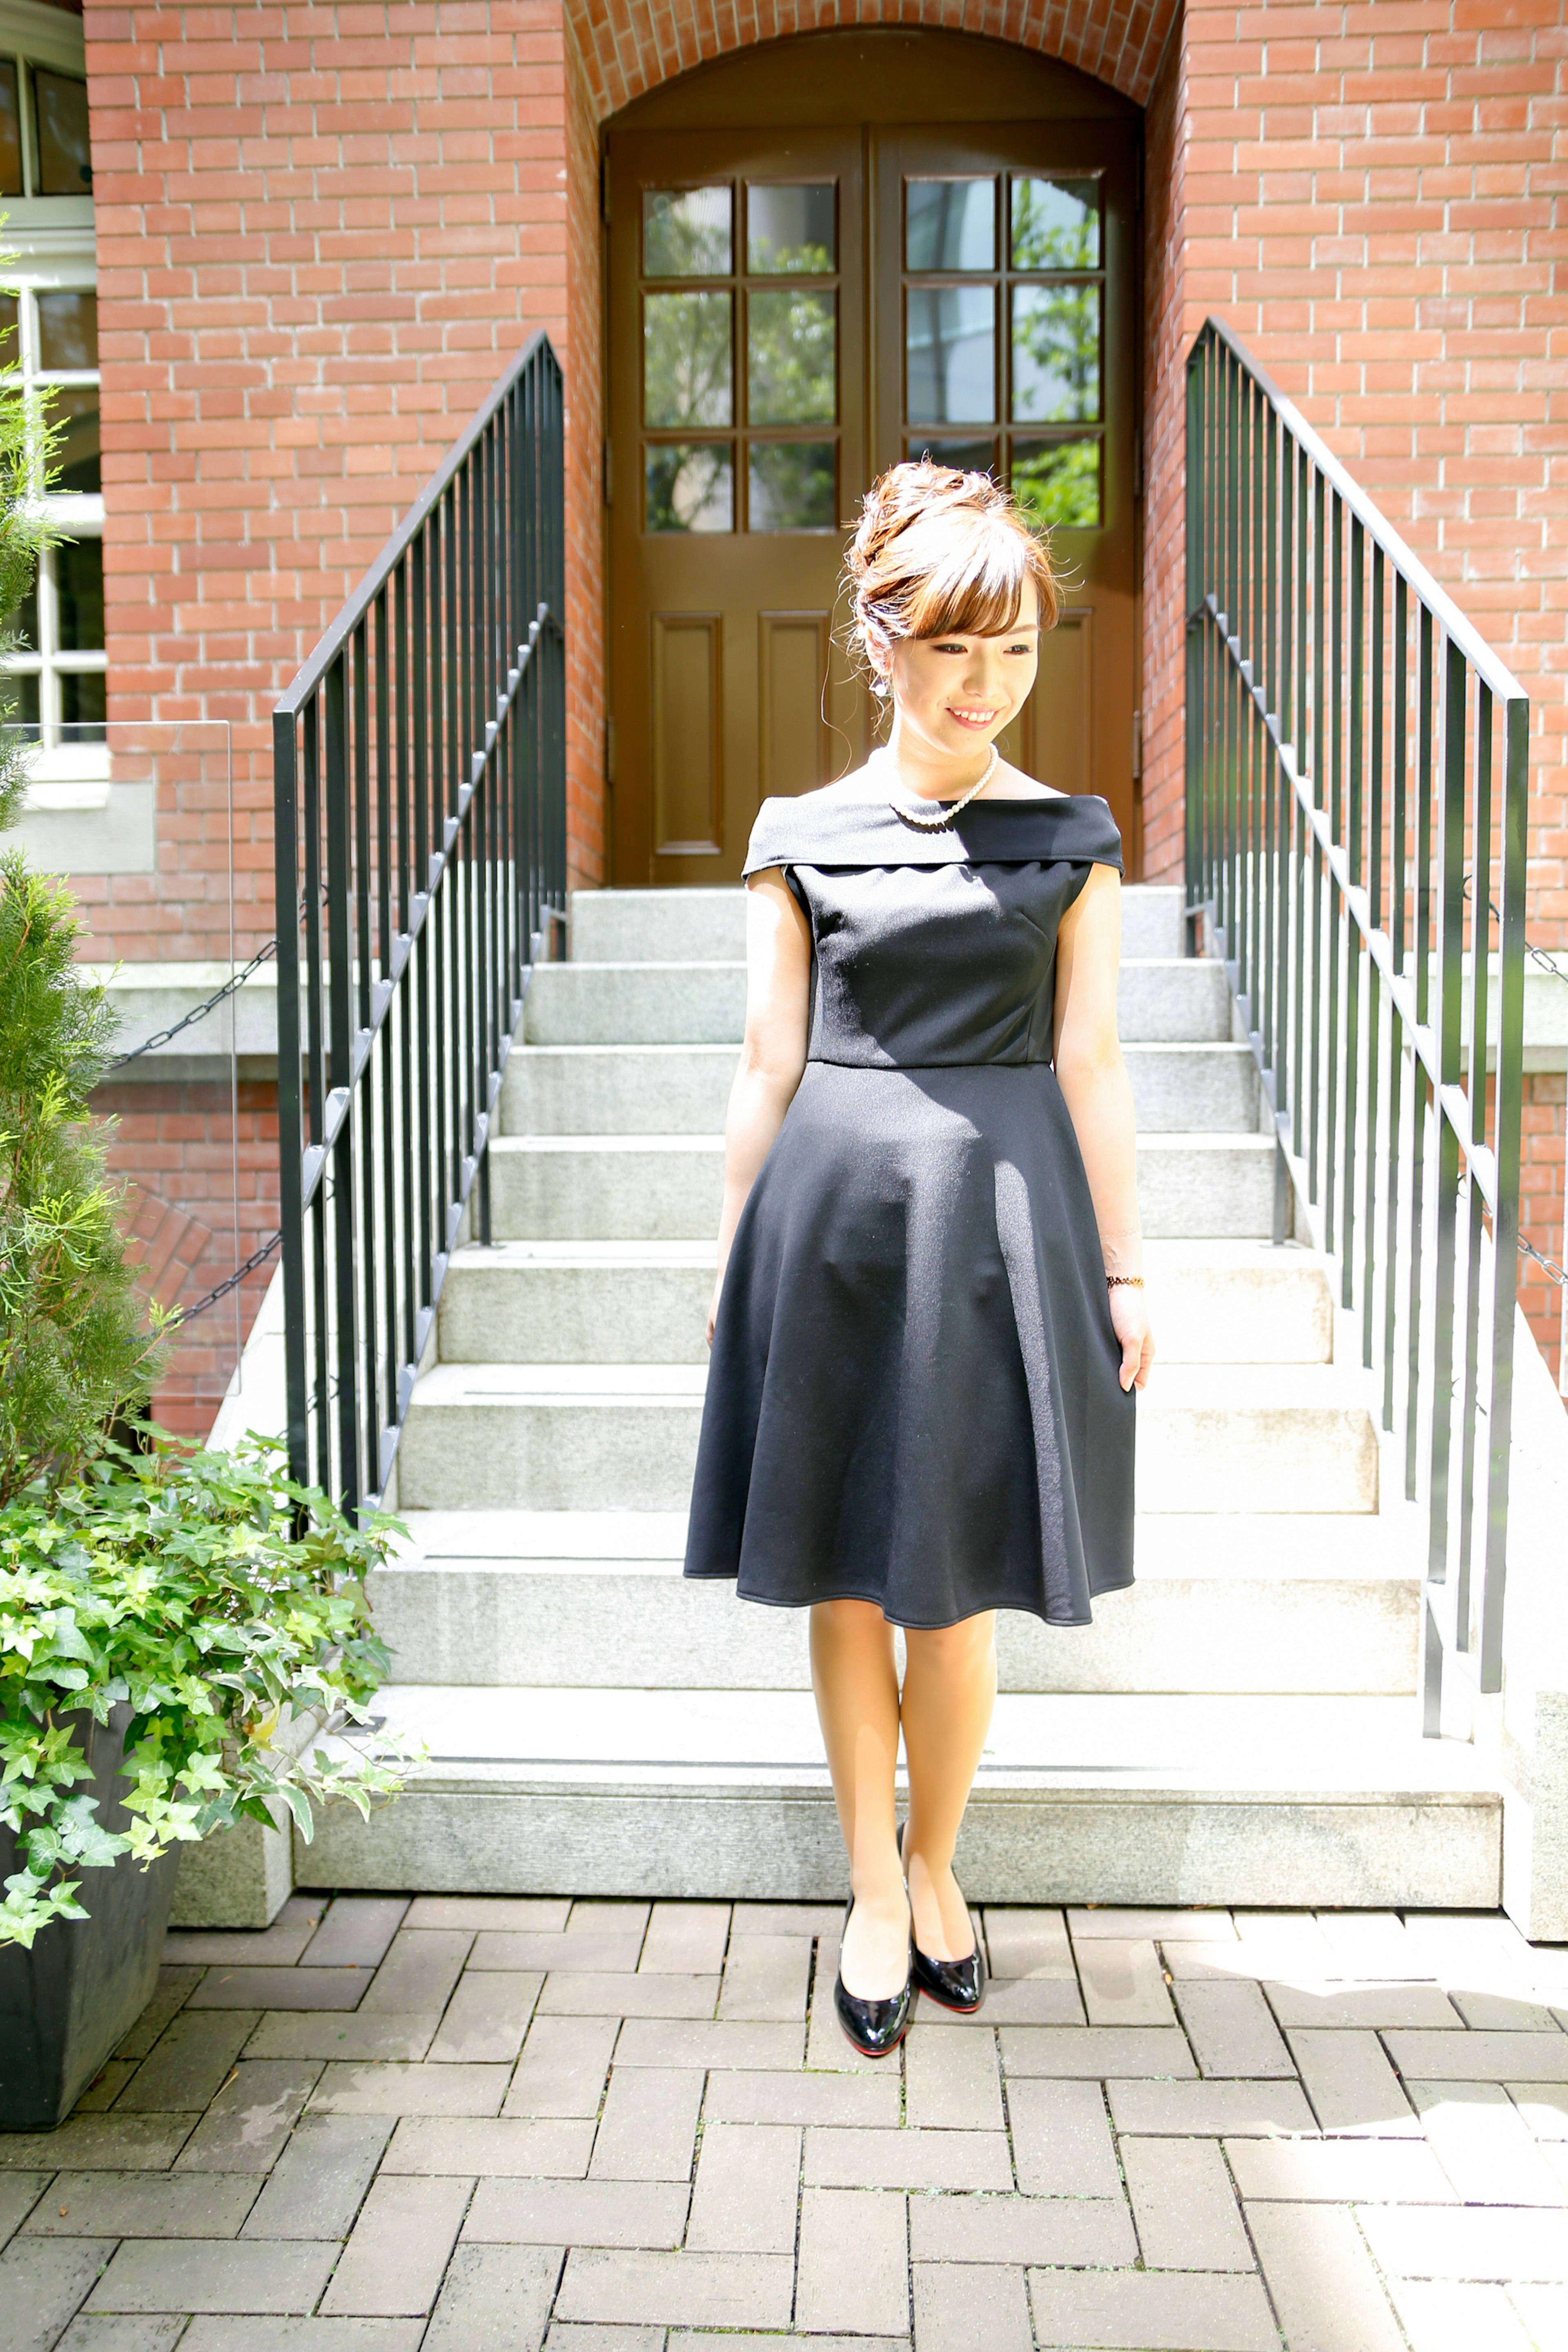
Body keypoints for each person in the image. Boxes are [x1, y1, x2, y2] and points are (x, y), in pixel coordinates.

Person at [684, 460, 1154, 2056]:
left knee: (952, 1592)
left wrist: (1128, 1267)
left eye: (1015, 649)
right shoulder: (798, 835)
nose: (984, 684)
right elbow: (768, 1064)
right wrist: (733, 1258)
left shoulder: (1074, 836)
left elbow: (1091, 1061)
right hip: (834, 1232)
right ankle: (869, 1888)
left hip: (1003, 1232)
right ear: (880, 639)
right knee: (841, 1575)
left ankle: (940, 1866)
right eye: (953, 648)